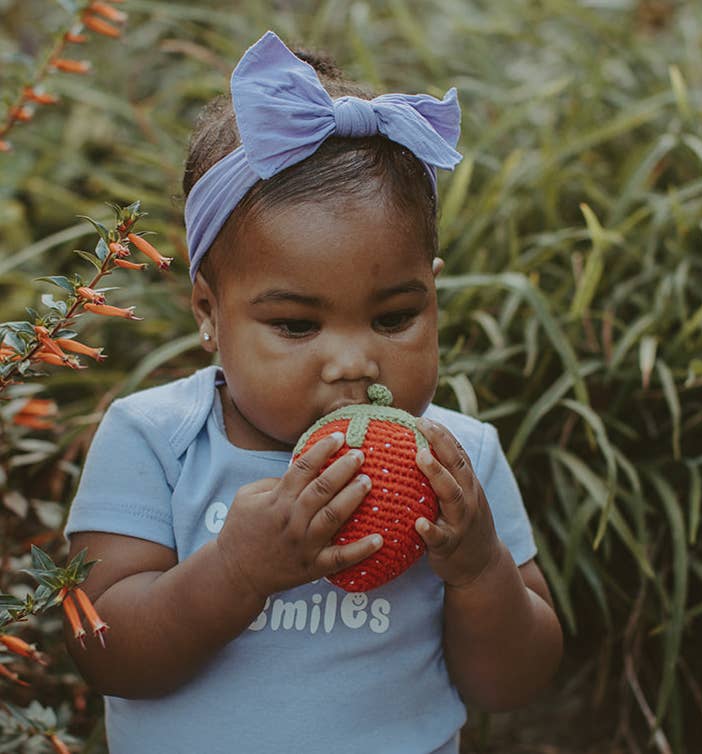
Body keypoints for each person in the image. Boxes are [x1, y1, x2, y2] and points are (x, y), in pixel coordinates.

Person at [64, 30, 562, 754]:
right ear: (208, 311)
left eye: (395, 316)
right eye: (297, 324)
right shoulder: (156, 439)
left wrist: (482, 569)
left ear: (434, 290)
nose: (354, 362)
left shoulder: (458, 461)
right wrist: (235, 571)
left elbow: (510, 685)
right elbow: (100, 651)